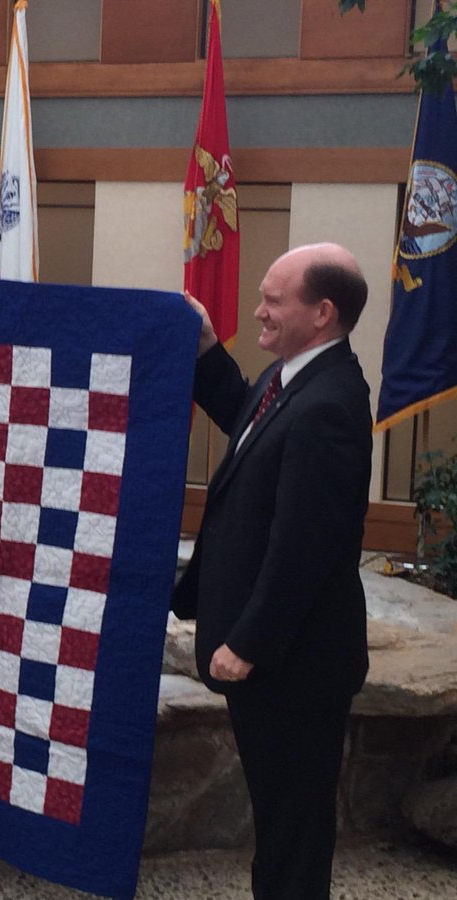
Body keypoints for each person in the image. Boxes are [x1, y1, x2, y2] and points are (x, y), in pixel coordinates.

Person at [174, 243, 372, 900]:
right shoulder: (290, 376)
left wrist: (248, 642)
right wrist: (205, 349)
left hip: (294, 668)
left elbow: (304, 549)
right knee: (279, 818)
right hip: (275, 664)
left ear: (321, 312)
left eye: (272, 301)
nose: (257, 311)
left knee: (293, 832)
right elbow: (246, 424)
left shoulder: (330, 407)